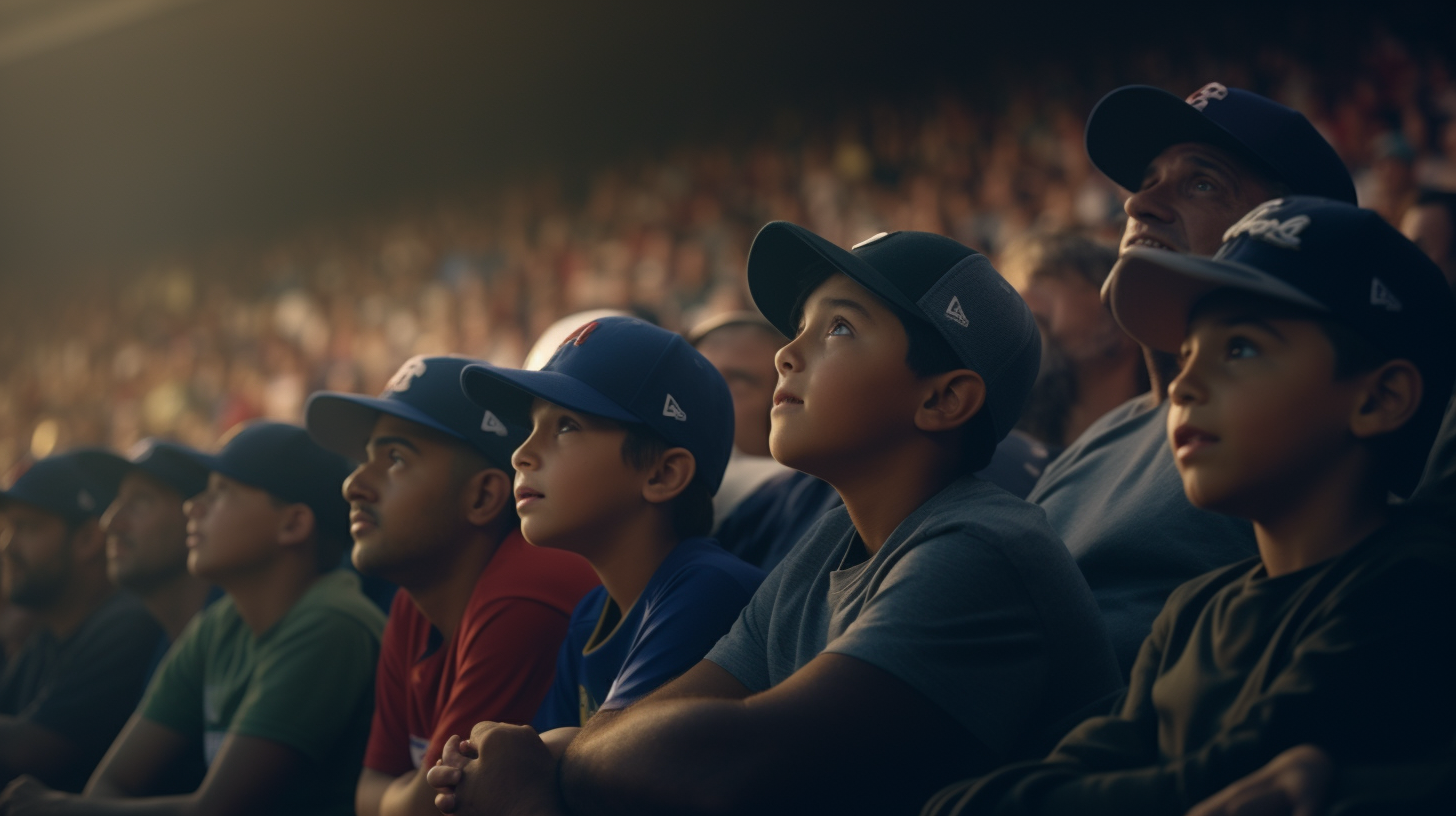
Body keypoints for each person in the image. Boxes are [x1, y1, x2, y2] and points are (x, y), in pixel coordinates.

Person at [428, 225, 1123, 816]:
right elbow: (640, 731)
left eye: (840, 327)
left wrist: (550, 764)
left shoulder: (979, 549)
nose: (786, 352)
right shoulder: (828, 543)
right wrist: (568, 756)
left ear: (943, 399)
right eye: (799, 329)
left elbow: (725, 765)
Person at [923, 197, 1456, 816]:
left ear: (1381, 397)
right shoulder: (1195, 610)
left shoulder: (1418, 584)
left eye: (1241, 350)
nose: (1183, 384)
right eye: (1190, 352)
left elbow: (1246, 769)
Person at [1026, 82, 1359, 676]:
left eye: (1202, 183)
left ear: (1292, 232)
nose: (1137, 205)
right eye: (1146, 179)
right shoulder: (1095, 442)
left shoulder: (1303, 431)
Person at [429, 317, 764, 808]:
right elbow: (535, 770)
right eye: (532, 426)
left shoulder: (706, 590)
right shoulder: (588, 617)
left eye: (566, 426)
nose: (521, 452)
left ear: (664, 473)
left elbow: (587, 788)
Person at [0, 422, 385, 816]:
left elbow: (218, 810)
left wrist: (60, 809)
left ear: (293, 524)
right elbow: (112, 783)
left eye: (220, 493)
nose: (192, 507)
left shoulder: (330, 623)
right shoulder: (221, 623)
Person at [304, 355, 599, 816]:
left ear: (482, 496)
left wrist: (399, 799)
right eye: (366, 457)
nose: (354, 484)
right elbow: (371, 787)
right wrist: (401, 799)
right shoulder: (413, 598)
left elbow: (429, 811)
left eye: (395, 459)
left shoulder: (524, 593)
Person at [0, 453, 160, 792]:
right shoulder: (46, 634)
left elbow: (34, 753)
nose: (9, 547)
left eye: (28, 528)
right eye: (8, 529)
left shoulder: (128, 625)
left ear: (89, 539)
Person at [688, 312, 839, 571]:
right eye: (695, 382)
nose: (705, 400)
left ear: (783, 399)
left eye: (736, 384)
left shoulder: (820, 500)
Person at [996, 231, 1145, 449]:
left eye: (1041, 279)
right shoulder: (1008, 448)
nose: (1021, 297)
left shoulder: (1167, 438)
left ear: (1119, 310)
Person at [74, 442, 215, 668]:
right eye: (116, 501)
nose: (110, 523)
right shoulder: (163, 647)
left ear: (197, 515)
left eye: (140, 500)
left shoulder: (237, 636)